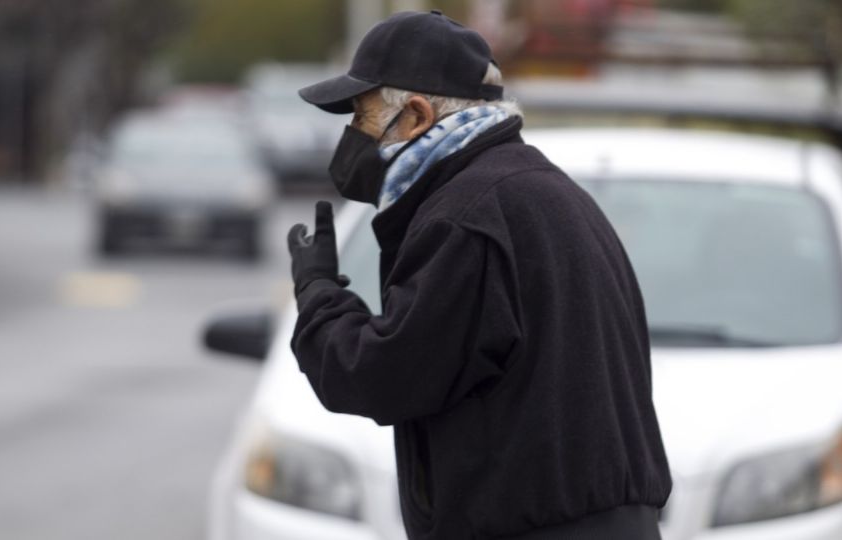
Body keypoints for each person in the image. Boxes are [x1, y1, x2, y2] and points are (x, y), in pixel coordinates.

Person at [287, 10, 671, 540]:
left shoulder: (466, 215)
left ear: (417, 114)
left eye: (361, 115)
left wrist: (318, 296)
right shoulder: (542, 190)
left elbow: (387, 376)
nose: (353, 135)